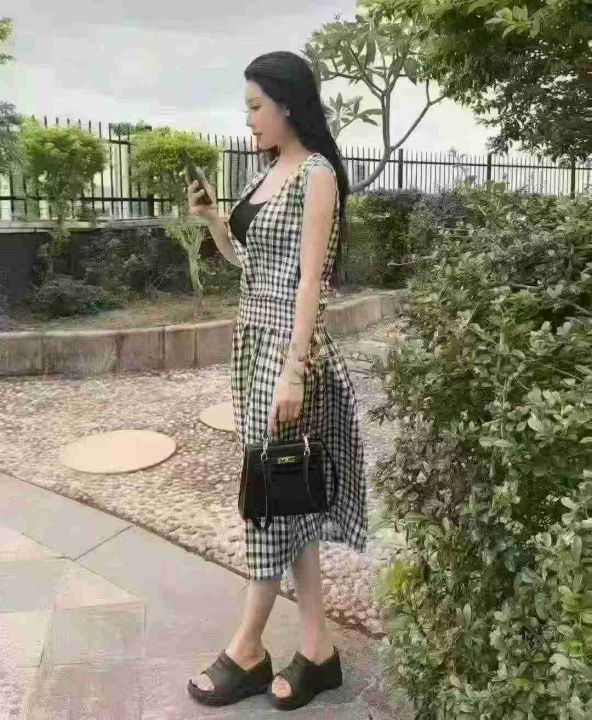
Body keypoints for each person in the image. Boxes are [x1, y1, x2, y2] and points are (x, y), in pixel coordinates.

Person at [185, 50, 368, 711]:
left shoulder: (316, 175)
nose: (249, 120)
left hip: (290, 354)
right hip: (252, 346)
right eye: (247, 108)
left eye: (256, 107)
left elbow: (310, 281)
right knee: (287, 496)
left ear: (289, 104)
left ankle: (247, 648)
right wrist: (215, 221)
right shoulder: (269, 172)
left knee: (266, 499)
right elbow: (252, 264)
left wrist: (294, 371)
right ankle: (318, 650)